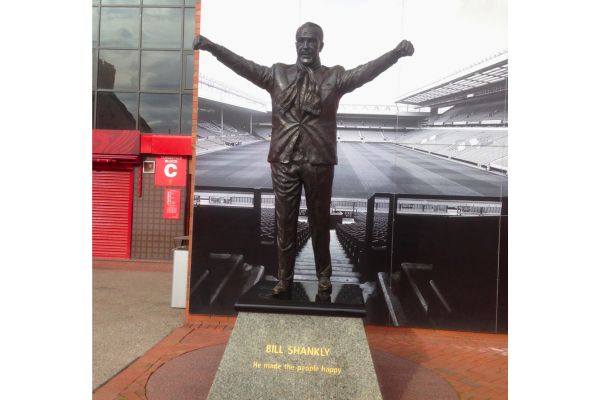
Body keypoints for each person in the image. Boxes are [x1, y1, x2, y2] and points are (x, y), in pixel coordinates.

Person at [193, 22, 414, 294]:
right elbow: (243, 65)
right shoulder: (277, 73)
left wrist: (395, 54)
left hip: (318, 160)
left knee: (320, 222)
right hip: (284, 160)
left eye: (311, 40)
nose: (306, 45)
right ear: (295, 43)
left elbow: (365, 72)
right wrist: (212, 47)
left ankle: (324, 276)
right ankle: (284, 279)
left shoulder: (335, 77)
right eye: (301, 40)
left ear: (321, 45)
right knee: (284, 223)